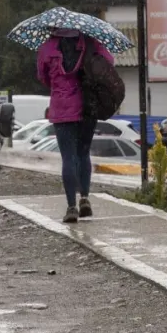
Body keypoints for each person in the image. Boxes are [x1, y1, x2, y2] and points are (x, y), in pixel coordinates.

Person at [37, 27, 115, 223]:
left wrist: (58, 85)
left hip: (62, 108)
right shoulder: (90, 43)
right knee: (83, 153)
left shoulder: (47, 48)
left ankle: (71, 206)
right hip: (87, 106)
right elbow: (109, 63)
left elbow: (42, 76)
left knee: (68, 157)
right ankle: (85, 198)